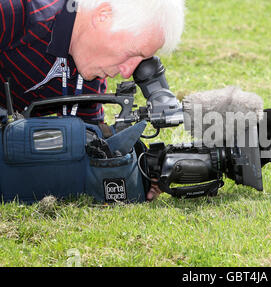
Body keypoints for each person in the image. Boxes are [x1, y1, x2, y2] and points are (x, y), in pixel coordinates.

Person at [0, 0, 185, 201]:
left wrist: (142, 173)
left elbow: (91, 149)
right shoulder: (16, 10)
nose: (126, 73)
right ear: (103, 15)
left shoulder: (89, 75)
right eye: (131, 53)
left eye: (140, 61)